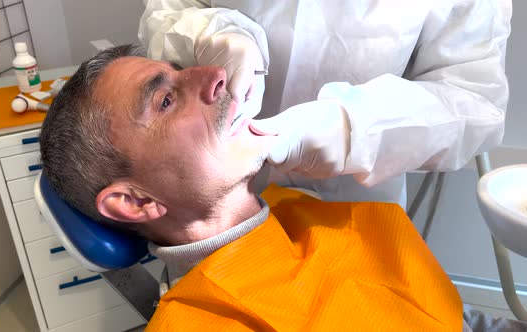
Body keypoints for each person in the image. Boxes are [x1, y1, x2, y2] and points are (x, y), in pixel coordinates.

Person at [39, 45, 464, 331]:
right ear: (135, 201)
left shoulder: (297, 209)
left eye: (179, 72)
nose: (216, 74)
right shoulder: (196, 319)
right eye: (165, 100)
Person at [138, 0, 512, 208]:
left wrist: (357, 131)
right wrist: (209, 33)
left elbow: (474, 99)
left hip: (356, 205)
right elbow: (168, 10)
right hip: (210, 202)